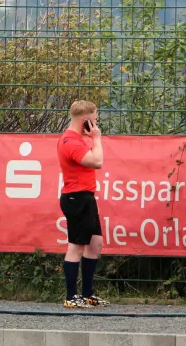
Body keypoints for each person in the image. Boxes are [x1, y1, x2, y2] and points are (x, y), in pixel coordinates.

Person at [57, 100, 110, 309]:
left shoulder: (77, 139)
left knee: (95, 243)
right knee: (76, 246)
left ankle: (88, 293)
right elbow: (97, 161)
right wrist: (97, 139)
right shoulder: (71, 142)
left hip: (86, 196)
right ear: (86, 120)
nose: (96, 123)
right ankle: (71, 296)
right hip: (75, 197)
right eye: (95, 118)